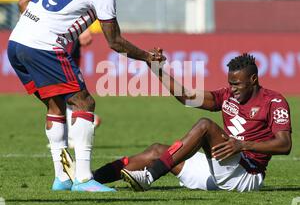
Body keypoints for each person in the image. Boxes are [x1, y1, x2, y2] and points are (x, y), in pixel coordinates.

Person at [8, 0, 165, 193]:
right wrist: (147, 57)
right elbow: (114, 42)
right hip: (45, 45)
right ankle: (82, 179)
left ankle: (62, 178)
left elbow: (25, 1)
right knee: (84, 103)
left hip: (16, 42)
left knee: (56, 105)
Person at [74, 53, 292, 193]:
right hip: (221, 168)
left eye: (237, 84)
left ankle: (149, 177)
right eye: (230, 83)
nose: (233, 88)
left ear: (253, 80)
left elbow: (284, 145)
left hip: (247, 174)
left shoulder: (274, 101)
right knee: (158, 150)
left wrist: (242, 145)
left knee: (205, 125)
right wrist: (157, 69)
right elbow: (186, 97)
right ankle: (89, 178)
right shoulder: (227, 95)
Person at [18, 0, 100, 146]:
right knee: (61, 80)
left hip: (63, 30)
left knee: (63, 80)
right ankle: (77, 120)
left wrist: (85, 28)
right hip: (55, 29)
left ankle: (78, 119)